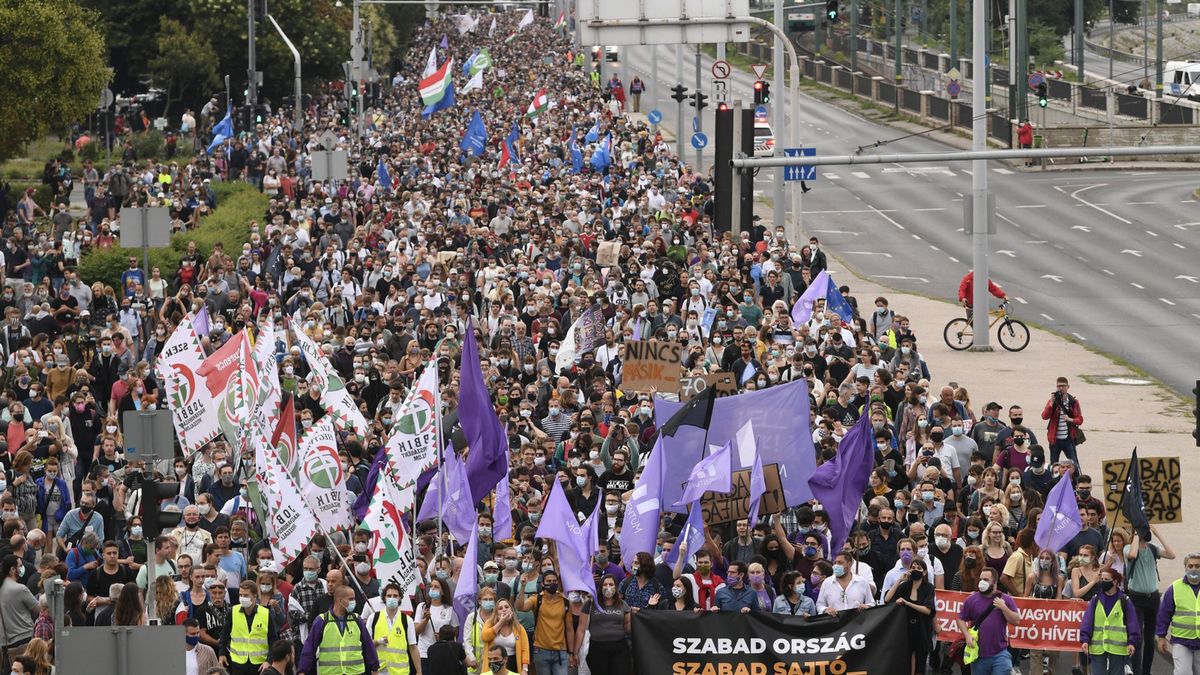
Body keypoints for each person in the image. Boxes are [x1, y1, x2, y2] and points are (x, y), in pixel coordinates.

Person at [298, 585, 379, 675]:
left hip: (355, 672)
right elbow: (309, 647)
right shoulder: (322, 620)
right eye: (351, 599)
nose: (354, 602)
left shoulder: (357, 619)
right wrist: (303, 670)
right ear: (340, 601)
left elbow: (368, 646)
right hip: (330, 672)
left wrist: (374, 668)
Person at [1126, 525, 1174, 675]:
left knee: (1149, 639)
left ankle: (1146, 671)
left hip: (1153, 598)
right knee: (1137, 638)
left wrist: (1157, 534)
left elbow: (1172, 555)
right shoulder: (1128, 548)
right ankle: (1137, 672)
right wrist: (1136, 534)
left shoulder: (1153, 548)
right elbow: (1133, 555)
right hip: (1136, 599)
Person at [957, 568, 1021, 675]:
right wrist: (967, 635)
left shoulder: (1005, 599)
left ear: (994, 582)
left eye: (986, 580)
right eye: (981, 579)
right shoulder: (972, 600)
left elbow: (1016, 621)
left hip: (1000, 653)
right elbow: (961, 619)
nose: (982, 582)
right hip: (978, 655)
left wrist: (1003, 607)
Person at [1080, 568, 1139, 675]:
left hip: (1117, 647)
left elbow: (1132, 623)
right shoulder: (1096, 599)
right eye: (1101, 579)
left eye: (1106, 579)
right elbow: (1087, 621)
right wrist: (1085, 640)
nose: (1103, 582)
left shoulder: (1124, 601)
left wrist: (1132, 642)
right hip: (1098, 645)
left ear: (1115, 582)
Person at [885, 558, 936, 675]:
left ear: (924, 572)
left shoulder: (928, 588)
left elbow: (928, 610)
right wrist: (899, 580)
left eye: (919, 568)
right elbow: (887, 599)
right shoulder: (905, 586)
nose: (915, 570)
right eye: (913, 568)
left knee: (920, 664)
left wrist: (907, 603)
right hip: (905, 629)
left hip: (922, 630)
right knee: (906, 663)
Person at [223, 579, 281, 674]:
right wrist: (221, 654)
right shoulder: (233, 611)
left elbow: (273, 639)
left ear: (254, 596)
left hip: (259, 665)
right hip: (238, 663)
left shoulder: (265, 613)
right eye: (240, 595)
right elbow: (224, 634)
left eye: (245, 595)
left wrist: (268, 661)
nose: (242, 598)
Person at [1155, 552, 1200, 675]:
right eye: (1190, 566)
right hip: (1181, 641)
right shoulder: (1174, 588)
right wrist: (1161, 637)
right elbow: (1163, 615)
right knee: (1183, 673)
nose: (1194, 569)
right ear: (1185, 567)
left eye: (1197, 566)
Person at [578, 574, 631, 675]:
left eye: (611, 584)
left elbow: (628, 627)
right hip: (597, 649)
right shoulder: (591, 604)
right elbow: (581, 628)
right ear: (600, 587)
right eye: (605, 584)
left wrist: (636, 614)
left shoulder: (623, 604)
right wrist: (575, 652)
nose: (608, 587)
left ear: (616, 587)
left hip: (619, 648)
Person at [369, 582, 420, 675]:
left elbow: (413, 647)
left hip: (401, 672)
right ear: (384, 597)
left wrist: (419, 671)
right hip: (380, 671)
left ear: (400, 597)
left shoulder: (407, 620)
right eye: (389, 595)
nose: (392, 598)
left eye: (395, 596)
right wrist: (378, 642)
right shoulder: (373, 618)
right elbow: (367, 645)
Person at [0, 554, 39, 660]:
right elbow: (38, 609)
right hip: (24, 637)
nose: (22, 568)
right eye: (20, 566)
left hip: (5, 641)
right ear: (12, 569)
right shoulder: (20, 589)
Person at [1041, 377, 1083, 469]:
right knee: (1054, 466)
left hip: (1068, 439)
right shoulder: (1053, 401)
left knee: (1074, 464)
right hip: (1054, 440)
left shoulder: (1073, 402)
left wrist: (1070, 419)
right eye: (1059, 386)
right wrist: (1051, 404)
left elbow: (1080, 420)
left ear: (1068, 387)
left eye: (1063, 386)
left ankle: (1075, 481)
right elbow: (1044, 416)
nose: (1061, 388)